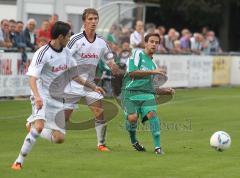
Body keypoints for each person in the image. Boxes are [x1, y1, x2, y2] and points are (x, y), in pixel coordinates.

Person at [11, 21, 105, 170]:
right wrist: (36, 97)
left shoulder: (67, 53)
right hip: (41, 93)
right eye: (68, 36)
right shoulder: (42, 53)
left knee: (59, 139)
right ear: (60, 36)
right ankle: (18, 161)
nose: (70, 38)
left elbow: (75, 76)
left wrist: (93, 86)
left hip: (57, 97)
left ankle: (31, 125)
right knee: (40, 126)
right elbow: (32, 78)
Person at [64, 8, 120, 152]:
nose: (93, 21)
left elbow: (109, 59)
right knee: (64, 120)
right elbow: (64, 58)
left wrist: (114, 67)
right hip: (73, 83)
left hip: (90, 85)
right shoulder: (75, 39)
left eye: (95, 19)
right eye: (90, 19)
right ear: (84, 21)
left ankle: (101, 144)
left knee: (100, 113)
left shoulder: (101, 41)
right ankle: (40, 125)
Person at [121, 33, 175, 154]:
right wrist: (152, 72)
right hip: (130, 92)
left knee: (152, 113)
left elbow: (151, 88)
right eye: (151, 41)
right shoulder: (137, 54)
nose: (154, 44)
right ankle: (134, 141)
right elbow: (132, 73)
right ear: (146, 43)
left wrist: (165, 91)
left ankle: (158, 147)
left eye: (156, 42)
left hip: (146, 94)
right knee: (132, 118)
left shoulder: (154, 64)